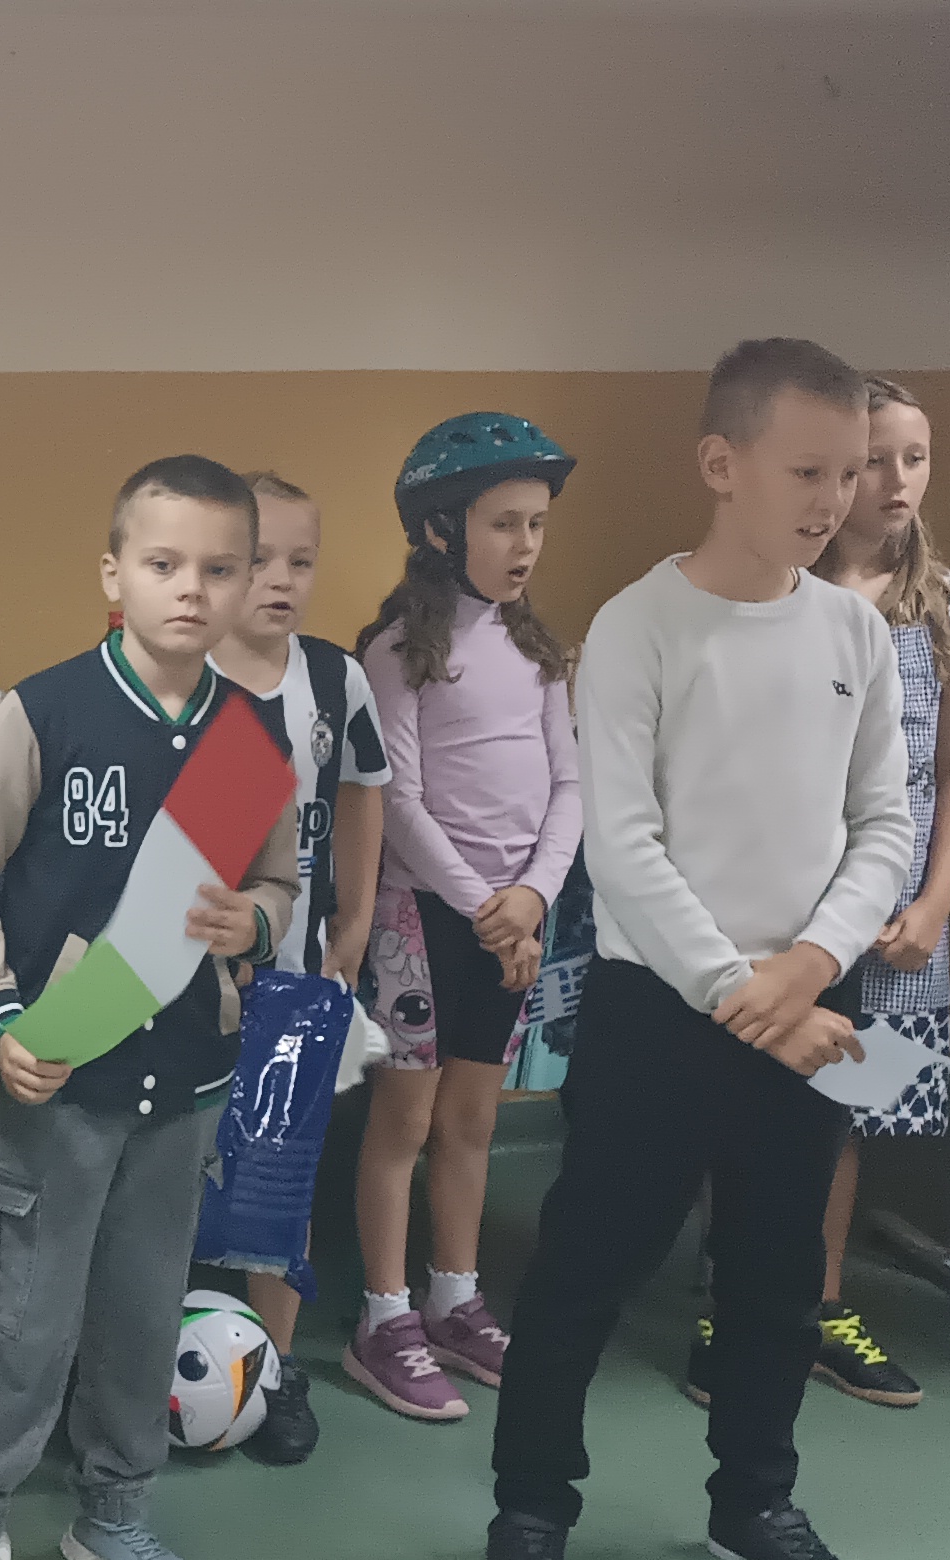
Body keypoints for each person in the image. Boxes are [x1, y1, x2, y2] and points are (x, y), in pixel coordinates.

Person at [482, 338, 916, 1560]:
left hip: (813, 1011)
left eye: (851, 471)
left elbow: (882, 824)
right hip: (661, 1015)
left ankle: (754, 1505)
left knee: (780, 1278)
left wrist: (809, 967)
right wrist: (742, 992)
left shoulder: (855, 631)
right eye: (807, 469)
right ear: (722, 464)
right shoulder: (639, 626)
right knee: (584, 1271)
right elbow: (622, 846)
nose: (835, 498)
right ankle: (531, 1507)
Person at [0, 458, 298, 1560]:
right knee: (24, 1321)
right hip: (58, 1081)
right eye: (163, 563)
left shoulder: (252, 739)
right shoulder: (46, 713)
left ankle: (115, 1512)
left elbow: (279, 883)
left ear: (245, 583)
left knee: (140, 1317)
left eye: (218, 569)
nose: (190, 590)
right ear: (112, 574)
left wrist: (255, 923)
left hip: (182, 1091)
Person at [686, 377, 950, 1410]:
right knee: (746, 1101)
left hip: (895, 908)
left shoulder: (948, 604)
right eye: (870, 463)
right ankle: (728, 1305)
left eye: (915, 458)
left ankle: (816, 1306)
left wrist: (935, 902)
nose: (894, 482)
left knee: (843, 1107)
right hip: (776, 903)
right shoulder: (770, 592)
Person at [343, 413, 583, 1423]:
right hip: (423, 920)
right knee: (404, 1120)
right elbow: (395, 798)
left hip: (512, 923)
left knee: (473, 1120)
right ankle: (384, 1315)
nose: (525, 545)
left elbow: (570, 784)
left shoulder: (538, 650)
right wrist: (485, 905)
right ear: (442, 530)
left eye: (536, 524)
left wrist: (532, 896)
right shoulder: (398, 651)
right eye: (503, 524)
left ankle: (455, 1298)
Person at [194, 468, 386, 1464]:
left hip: (297, 981)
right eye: (256, 559)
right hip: (190, 982)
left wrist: (355, 920)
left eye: (299, 562)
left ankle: (271, 1369)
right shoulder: (183, 677)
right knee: (179, 1177)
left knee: (279, 1178)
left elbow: (362, 793)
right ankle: (165, 1360)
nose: (280, 580)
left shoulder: (334, 680)